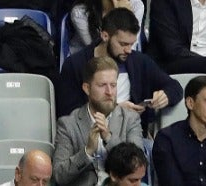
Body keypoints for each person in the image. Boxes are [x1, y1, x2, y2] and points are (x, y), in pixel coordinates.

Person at [52, 55, 145, 186]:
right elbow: (59, 176)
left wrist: (108, 138)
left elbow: (138, 164)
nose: (109, 92)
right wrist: (87, 151)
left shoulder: (130, 119)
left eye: (113, 85)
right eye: (102, 85)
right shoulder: (68, 124)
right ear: (87, 88)